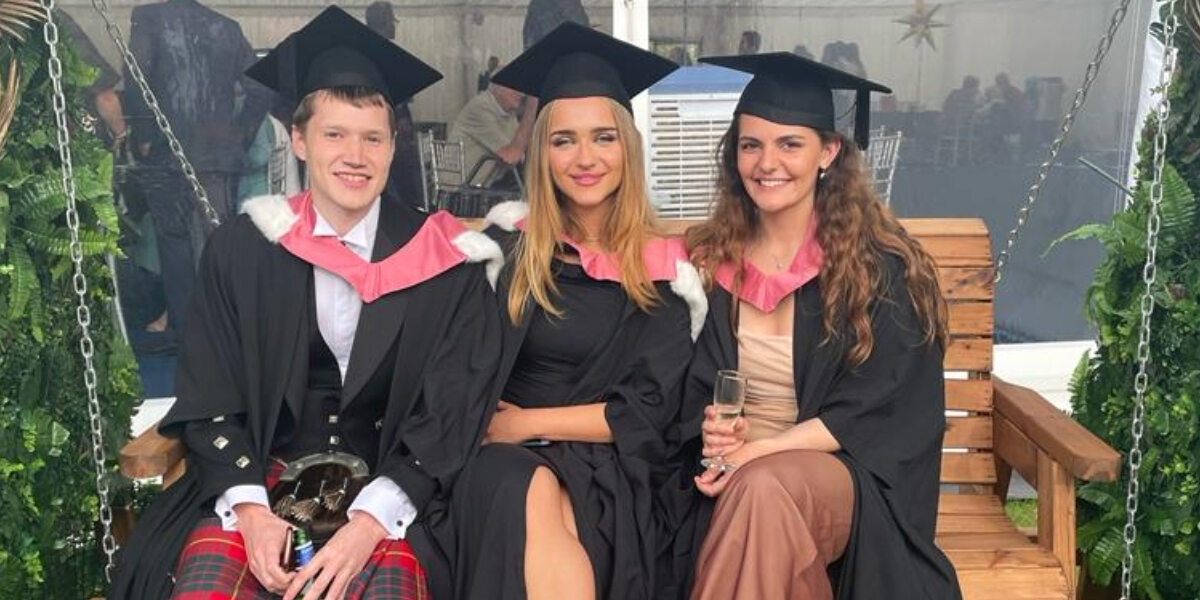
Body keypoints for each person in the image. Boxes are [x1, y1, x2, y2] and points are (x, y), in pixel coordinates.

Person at [108, 7, 504, 599]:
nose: (355, 155)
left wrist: (372, 522)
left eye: (373, 137)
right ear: (299, 140)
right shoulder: (244, 250)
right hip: (262, 479)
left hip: (393, 491)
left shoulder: (444, 258)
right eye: (334, 134)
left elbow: (451, 408)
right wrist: (249, 510)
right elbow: (211, 391)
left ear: (394, 145)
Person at [662, 52, 962, 600]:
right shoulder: (709, 262)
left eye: (789, 144)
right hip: (734, 479)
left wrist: (758, 454)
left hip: (844, 478)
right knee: (757, 502)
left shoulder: (879, 268)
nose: (766, 162)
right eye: (751, 144)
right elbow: (677, 386)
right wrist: (715, 431)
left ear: (828, 152)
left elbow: (878, 409)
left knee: (763, 489)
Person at [446, 23, 705, 600]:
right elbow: (463, 375)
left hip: (619, 467)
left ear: (628, 148)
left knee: (544, 496)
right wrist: (510, 433)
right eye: (563, 140)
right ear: (542, 152)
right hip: (506, 460)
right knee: (526, 486)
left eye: (603, 138)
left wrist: (529, 423)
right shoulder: (507, 249)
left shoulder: (663, 269)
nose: (585, 158)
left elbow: (652, 411)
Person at [125, 0, 271, 338]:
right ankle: (224, 329)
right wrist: (239, 136)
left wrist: (145, 136)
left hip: (166, 151)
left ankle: (185, 333)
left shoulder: (147, 17)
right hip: (218, 156)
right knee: (218, 244)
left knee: (174, 244)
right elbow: (262, 88)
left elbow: (136, 80)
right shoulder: (227, 27)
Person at [447, 81, 525, 187]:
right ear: (498, 88)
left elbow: (523, 151)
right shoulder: (480, 107)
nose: (521, 94)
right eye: (515, 88)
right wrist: (532, 108)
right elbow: (511, 156)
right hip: (462, 191)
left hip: (488, 185)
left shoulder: (509, 112)